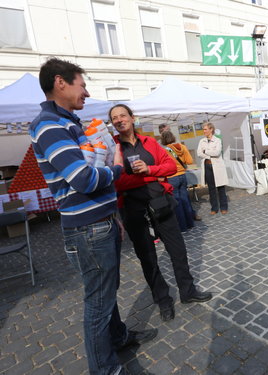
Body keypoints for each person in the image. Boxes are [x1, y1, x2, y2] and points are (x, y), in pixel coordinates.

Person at [29, 58, 156, 375]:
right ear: (61, 82)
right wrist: (115, 167)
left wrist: (113, 217)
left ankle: (119, 337)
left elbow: (88, 174)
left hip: (101, 223)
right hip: (88, 229)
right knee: (98, 301)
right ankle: (105, 369)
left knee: (105, 292)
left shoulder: (70, 123)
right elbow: (84, 179)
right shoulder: (49, 126)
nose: (86, 93)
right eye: (82, 85)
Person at [109, 104, 212, 322]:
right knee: (148, 258)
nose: (119, 120)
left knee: (178, 250)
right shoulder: (112, 148)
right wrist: (151, 177)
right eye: (114, 118)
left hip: (160, 203)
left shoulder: (150, 142)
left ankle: (188, 291)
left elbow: (170, 167)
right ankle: (163, 300)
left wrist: (150, 170)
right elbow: (116, 181)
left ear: (132, 118)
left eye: (123, 115)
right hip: (132, 209)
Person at [160, 130, 201, 231]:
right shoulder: (182, 147)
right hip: (183, 175)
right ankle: (190, 223)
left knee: (177, 202)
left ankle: (182, 226)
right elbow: (190, 161)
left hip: (171, 177)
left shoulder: (164, 150)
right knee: (185, 200)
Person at [197, 122, 229, 214]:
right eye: (203, 129)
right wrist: (209, 154)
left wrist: (205, 151)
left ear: (211, 129)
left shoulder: (217, 140)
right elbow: (199, 153)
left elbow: (217, 152)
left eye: (205, 129)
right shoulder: (201, 141)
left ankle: (223, 207)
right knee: (211, 188)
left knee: (220, 187)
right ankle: (214, 208)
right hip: (207, 166)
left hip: (217, 166)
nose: (204, 131)